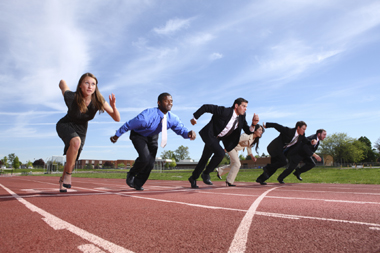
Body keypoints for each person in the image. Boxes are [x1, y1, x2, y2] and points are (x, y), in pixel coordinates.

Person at [110, 93, 196, 191]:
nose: (169, 103)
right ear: (159, 103)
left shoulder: (172, 118)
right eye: (166, 100)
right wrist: (116, 135)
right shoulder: (146, 117)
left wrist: (188, 133)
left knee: (150, 163)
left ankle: (138, 183)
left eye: (171, 101)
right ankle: (132, 173)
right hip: (139, 135)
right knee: (145, 158)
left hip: (153, 136)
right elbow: (129, 124)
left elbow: (181, 130)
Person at [56, 73, 120, 192]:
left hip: (81, 129)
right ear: (80, 85)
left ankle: (62, 179)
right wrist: (62, 81)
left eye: (93, 84)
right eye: (86, 83)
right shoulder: (72, 97)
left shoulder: (98, 100)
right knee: (76, 142)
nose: (90, 86)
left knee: (73, 157)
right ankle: (69, 175)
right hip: (66, 124)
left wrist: (113, 106)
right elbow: (63, 84)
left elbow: (117, 118)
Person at [188, 98, 259, 188]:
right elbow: (206, 107)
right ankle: (206, 173)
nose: (246, 109)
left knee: (204, 158)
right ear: (236, 106)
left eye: (246, 107)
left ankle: (193, 178)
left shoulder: (242, 116)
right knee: (220, 153)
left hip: (218, 139)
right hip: (210, 135)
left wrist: (253, 124)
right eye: (244, 106)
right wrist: (195, 118)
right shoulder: (224, 111)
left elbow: (247, 130)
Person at [255, 121, 316, 185]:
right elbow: (277, 126)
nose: (304, 131)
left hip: (281, 151)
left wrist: (311, 142)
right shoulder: (289, 131)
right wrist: (266, 125)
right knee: (284, 161)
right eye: (303, 129)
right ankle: (267, 167)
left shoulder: (301, 136)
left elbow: (305, 141)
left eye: (305, 129)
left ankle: (261, 179)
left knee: (275, 165)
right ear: (298, 127)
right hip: (274, 148)